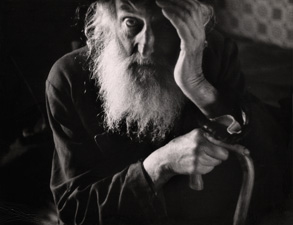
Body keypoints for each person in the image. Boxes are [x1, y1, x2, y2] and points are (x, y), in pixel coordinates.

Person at [45, 0, 286, 224]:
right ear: (107, 18)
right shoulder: (69, 78)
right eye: (131, 23)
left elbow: (271, 167)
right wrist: (158, 166)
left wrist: (198, 86)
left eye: (166, 24)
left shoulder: (216, 52)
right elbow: (75, 211)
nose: (148, 46)